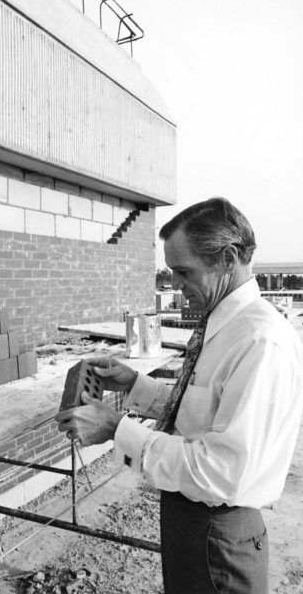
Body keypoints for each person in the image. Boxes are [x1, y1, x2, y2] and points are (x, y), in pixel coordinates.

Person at [55, 198, 303, 594]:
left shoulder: (259, 341)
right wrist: (135, 385)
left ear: (228, 257)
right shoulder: (226, 323)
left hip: (218, 527)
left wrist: (116, 429)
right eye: (171, 272)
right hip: (193, 516)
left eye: (184, 271)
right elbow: (204, 410)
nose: (174, 286)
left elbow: (221, 472)